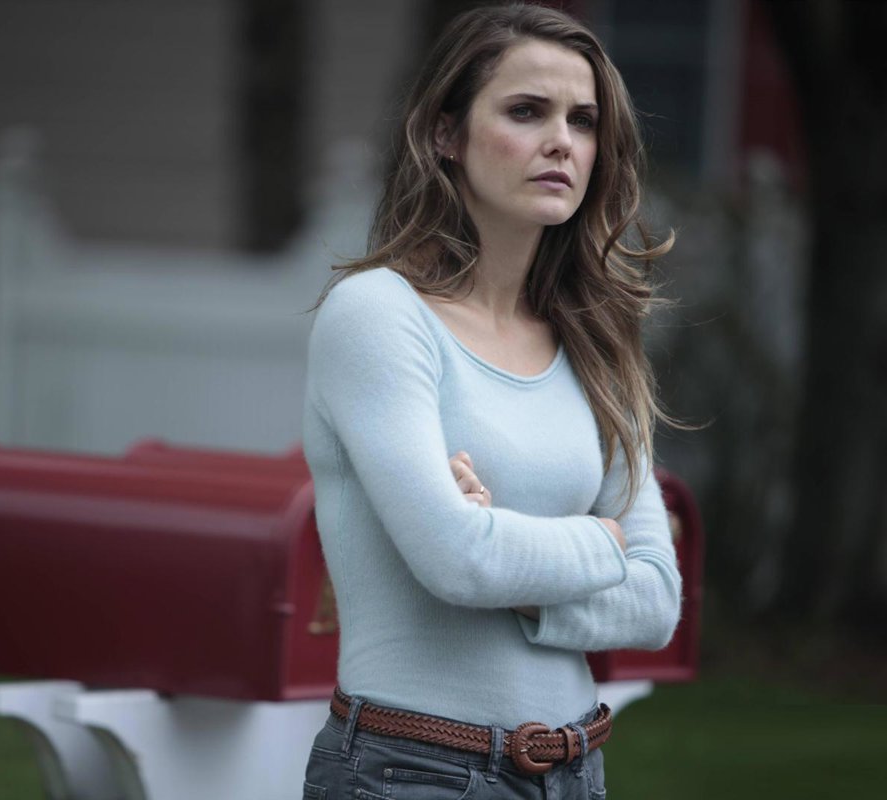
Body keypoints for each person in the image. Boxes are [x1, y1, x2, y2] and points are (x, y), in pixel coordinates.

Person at [300, 3, 682, 799]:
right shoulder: (379, 314)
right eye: (526, 111)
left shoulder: (598, 337)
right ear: (447, 134)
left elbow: (656, 603)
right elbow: (457, 561)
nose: (562, 142)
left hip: (575, 769)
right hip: (412, 771)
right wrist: (604, 541)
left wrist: (509, 557)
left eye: (582, 120)